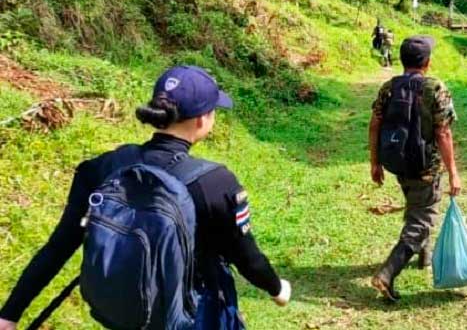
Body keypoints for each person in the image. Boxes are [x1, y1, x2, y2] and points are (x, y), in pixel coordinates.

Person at [0, 66, 291, 330]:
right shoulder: (214, 182)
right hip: (192, 316)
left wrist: (9, 314)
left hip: (126, 312)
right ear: (203, 119)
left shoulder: (102, 167)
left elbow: (57, 248)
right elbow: (247, 258)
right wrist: (278, 290)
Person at [368, 36, 462, 301]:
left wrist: (375, 162)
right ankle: (387, 273)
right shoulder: (436, 88)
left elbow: (374, 124)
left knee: (416, 205)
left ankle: (424, 254)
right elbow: (443, 133)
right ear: (428, 63)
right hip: (426, 167)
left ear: (401, 60)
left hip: (399, 163)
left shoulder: (389, 87)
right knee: (422, 218)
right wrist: (454, 171)